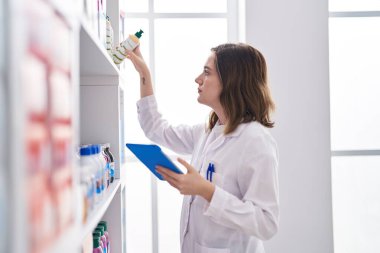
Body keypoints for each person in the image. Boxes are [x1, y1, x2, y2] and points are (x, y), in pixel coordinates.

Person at [127, 43, 279, 253]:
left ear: (231, 81)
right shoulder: (208, 132)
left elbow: (266, 223)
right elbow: (155, 128)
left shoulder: (255, 140)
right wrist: (144, 74)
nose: (198, 79)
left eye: (207, 72)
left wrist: (207, 191)